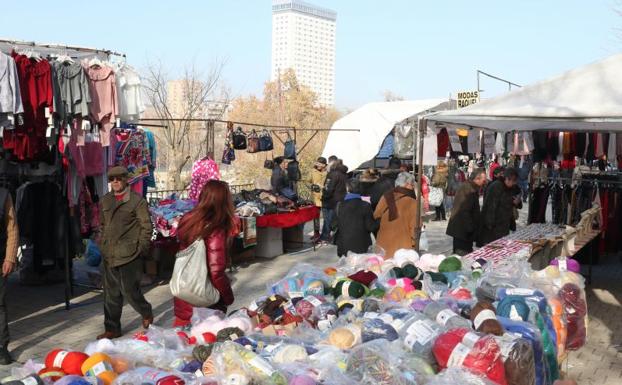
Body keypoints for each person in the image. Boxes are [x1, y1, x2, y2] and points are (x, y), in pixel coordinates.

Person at [97, 166, 154, 340]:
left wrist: (141, 249)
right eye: (112, 179)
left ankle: (146, 311)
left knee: (130, 291)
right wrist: (102, 243)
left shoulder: (137, 201)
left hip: (130, 254)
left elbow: (146, 227)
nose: (115, 182)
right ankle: (112, 328)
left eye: (118, 178)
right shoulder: (105, 201)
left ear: (125, 179)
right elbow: (102, 225)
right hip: (110, 254)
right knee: (110, 294)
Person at [173, 180, 236, 327]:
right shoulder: (215, 228)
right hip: (204, 304)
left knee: (182, 342)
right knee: (203, 345)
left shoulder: (188, 219)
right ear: (224, 201)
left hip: (184, 293)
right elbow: (216, 271)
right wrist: (228, 297)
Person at [373, 172, 418, 259]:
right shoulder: (412, 202)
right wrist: (414, 243)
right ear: (407, 184)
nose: (413, 187)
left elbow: (376, 215)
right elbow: (415, 226)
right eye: (412, 185)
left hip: (384, 245)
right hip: (404, 247)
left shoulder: (386, 196)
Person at [446, 168, 487, 255]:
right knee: (462, 254)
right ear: (477, 179)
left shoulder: (471, 188)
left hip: (465, 231)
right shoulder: (468, 189)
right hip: (462, 231)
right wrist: (471, 229)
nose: (484, 183)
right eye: (483, 181)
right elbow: (464, 211)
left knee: (466, 253)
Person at [335, 180, 379, 257]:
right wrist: (379, 220)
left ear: (348, 189)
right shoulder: (365, 205)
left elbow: (335, 224)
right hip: (362, 246)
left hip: (344, 246)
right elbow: (370, 227)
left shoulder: (339, 205)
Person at [0, 188, 18, 364]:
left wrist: (10, 257)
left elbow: (11, 229)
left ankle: (2, 347)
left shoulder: (4, 195)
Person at [479, 167, 519, 245]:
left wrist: (516, 202)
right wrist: (490, 226)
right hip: (494, 228)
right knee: (493, 249)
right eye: (513, 181)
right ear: (507, 179)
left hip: (503, 226)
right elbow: (490, 208)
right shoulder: (496, 186)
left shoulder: (509, 187)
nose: (514, 184)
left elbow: (510, 200)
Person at [320, 159, 348, 243]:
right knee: (337, 220)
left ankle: (325, 237)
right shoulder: (344, 174)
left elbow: (328, 188)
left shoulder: (332, 174)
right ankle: (336, 238)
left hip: (330, 201)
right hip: (341, 200)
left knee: (328, 220)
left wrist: (324, 197)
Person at [310, 157, 328, 242]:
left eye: (320, 164)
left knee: (326, 217)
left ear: (324, 165)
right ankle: (316, 233)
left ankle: (325, 234)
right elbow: (309, 180)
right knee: (315, 216)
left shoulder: (327, 172)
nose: (318, 166)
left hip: (325, 197)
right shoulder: (313, 171)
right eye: (317, 164)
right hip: (315, 197)